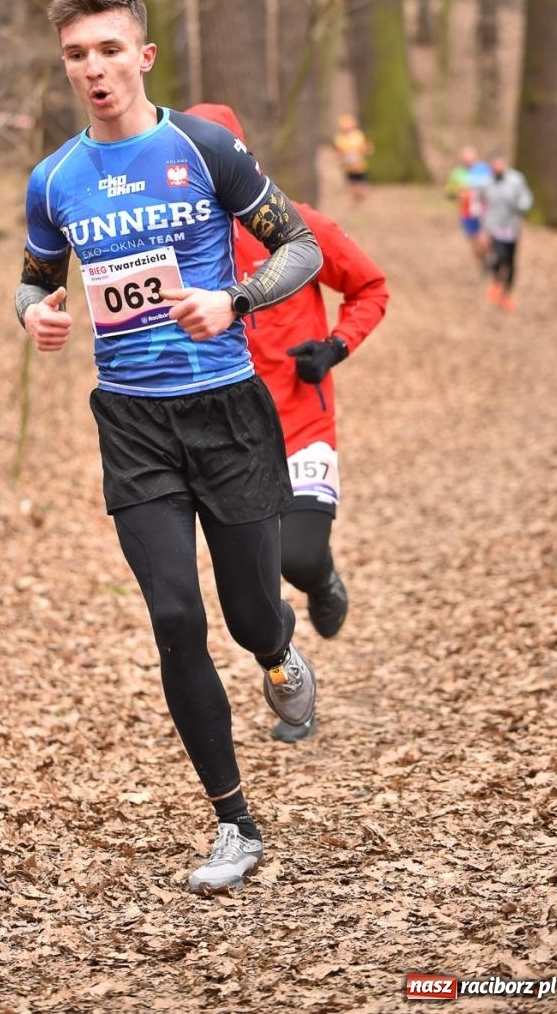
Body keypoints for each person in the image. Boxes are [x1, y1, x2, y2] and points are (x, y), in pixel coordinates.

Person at [15, 0, 324, 895]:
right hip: (132, 422)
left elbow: (299, 247)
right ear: (65, 66)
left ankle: (277, 651)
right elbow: (33, 280)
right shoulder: (55, 178)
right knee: (174, 619)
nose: (93, 69)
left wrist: (232, 298)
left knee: (246, 614)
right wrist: (35, 316)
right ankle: (234, 822)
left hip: (225, 409)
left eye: (108, 49)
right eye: (76, 55)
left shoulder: (203, 145)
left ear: (142, 56)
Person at [187, 105, 389, 743]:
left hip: (302, 420)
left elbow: (372, 287)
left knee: (298, 557)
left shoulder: (299, 225)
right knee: (251, 579)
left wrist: (334, 345)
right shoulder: (176, 246)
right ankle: (288, 682)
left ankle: (323, 577)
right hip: (229, 433)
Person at [480, 150, 533, 312]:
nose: (497, 166)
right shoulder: (487, 183)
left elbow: (526, 197)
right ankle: (496, 283)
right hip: (495, 228)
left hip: (511, 227)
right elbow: (483, 205)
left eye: (499, 163)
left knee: (510, 261)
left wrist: (522, 206)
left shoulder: (516, 179)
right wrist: (484, 227)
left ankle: (507, 294)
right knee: (499, 257)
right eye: (494, 164)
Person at [444, 144, 492, 268]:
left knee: (485, 240)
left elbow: (494, 186)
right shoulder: (457, 173)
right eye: (465, 157)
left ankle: (490, 257)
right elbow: (449, 192)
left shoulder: (484, 169)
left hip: (484, 211)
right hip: (467, 213)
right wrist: (457, 195)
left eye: (470, 157)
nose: (467, 160)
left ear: (476, 157)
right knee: (474, 241)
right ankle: (482, 264)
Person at [333, 113, 373, 201]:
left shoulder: (358, 135)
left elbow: (364, 147)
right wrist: (338, 156)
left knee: (360, 184)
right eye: (344, 127)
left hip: (359, 166)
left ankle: (360, 194)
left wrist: (366, 149)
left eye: (348, 126)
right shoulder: (339, 138)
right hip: (348, 167)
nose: (346, 129)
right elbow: (338, 151)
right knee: (351, 185)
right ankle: (356, 197)